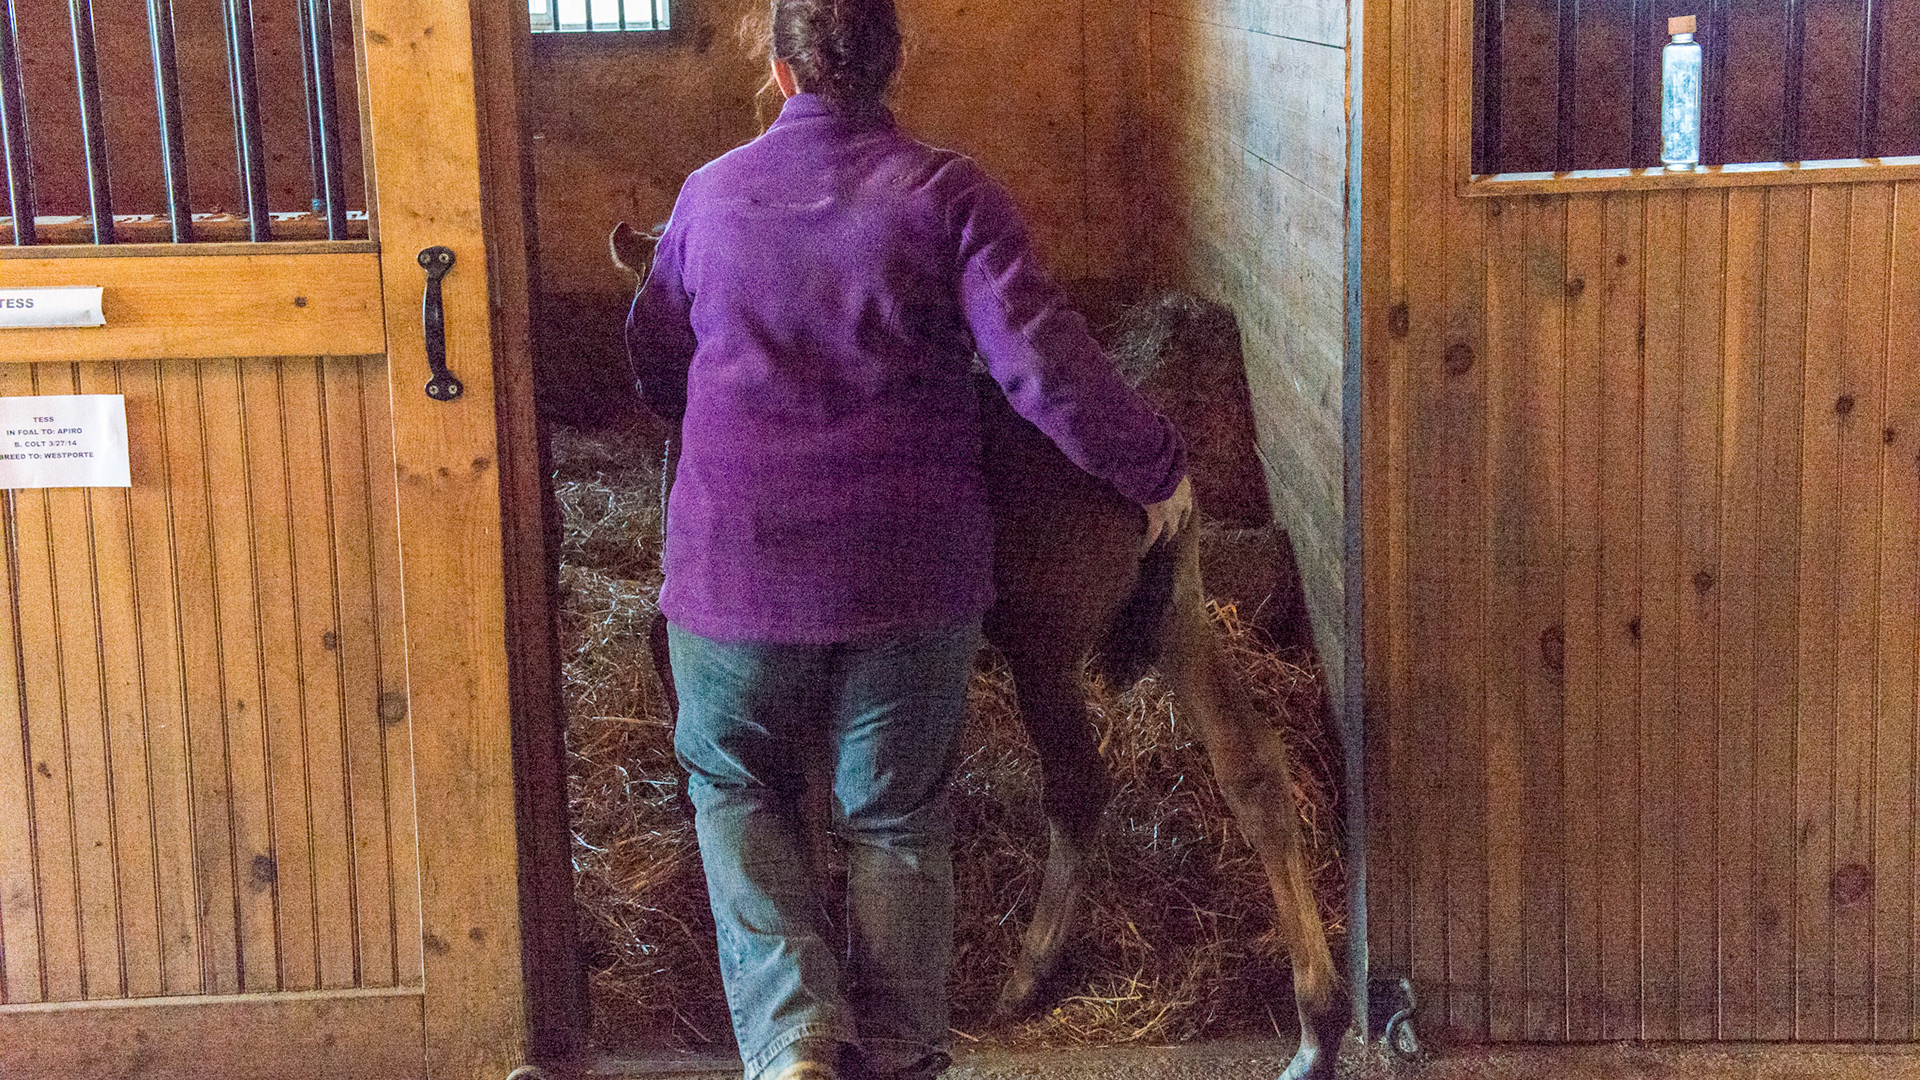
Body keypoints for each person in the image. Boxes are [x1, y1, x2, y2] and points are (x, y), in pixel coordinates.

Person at [623, 0, 1193, 1075]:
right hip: (911, 576)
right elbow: (1042, 365)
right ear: (892, 69)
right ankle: (897, 1056)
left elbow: (656, 358)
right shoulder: (949, 194)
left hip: (739, 568)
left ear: (781, 72)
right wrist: (1155, 468)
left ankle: (793, 1036)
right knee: (893, 818)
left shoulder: (706, 197)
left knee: (735, 786)